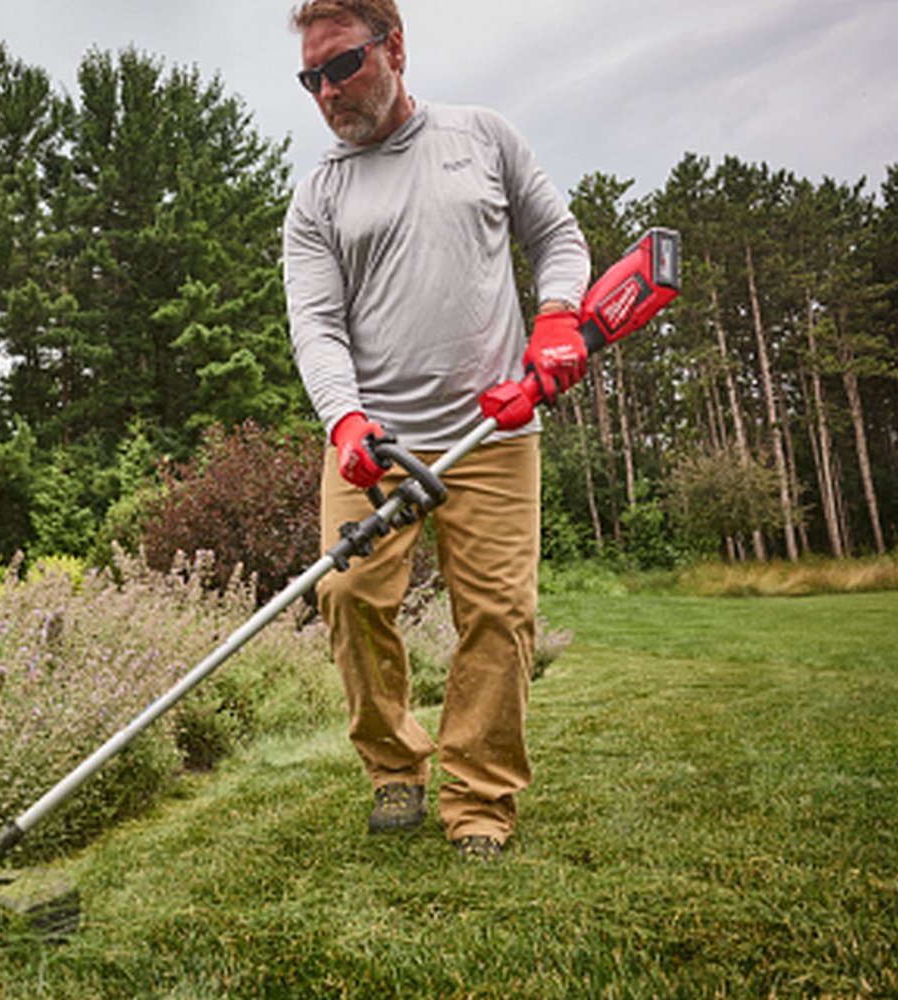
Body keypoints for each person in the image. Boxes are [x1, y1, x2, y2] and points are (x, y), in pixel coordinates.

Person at [282, 0, 590, 861]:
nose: (328, 91)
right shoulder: (319, 193)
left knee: (498, 614)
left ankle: (480, 800)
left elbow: (558, 238)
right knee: (345, 596)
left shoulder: (482, 138)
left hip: (493, 432)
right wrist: (343, 417)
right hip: (374, 444)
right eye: (311, 78)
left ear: (396, 48)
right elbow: (316, 324)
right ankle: (393, 766)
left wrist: (559, 316)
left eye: (342, 65)